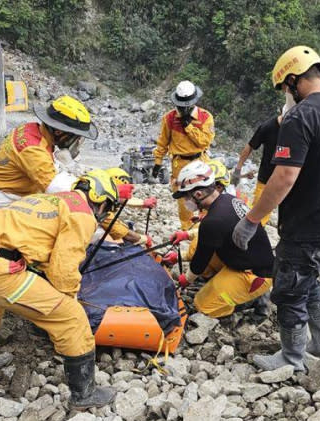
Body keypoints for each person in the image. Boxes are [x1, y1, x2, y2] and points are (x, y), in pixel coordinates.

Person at [231, 45, 320, 371]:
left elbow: (284, 177)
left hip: (311, 224)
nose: (287, 95)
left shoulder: (301, 116)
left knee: (288, 289)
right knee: (308, 277)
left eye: (286, 88)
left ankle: (292, 357)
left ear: (292, 80)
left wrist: (251, 219)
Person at [0, 169, 119, 408]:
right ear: (99, 199)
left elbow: (36, 249)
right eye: (107, 207)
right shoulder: (83, 213)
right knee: (71, 317)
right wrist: (67, 301)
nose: (104, 214)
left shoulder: (44, 199)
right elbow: (63, 271)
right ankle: (85, 394)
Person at [168, 161, 273, 318]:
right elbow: (218, 232)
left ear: (197, 194)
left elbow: (199, 262)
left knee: (203, 305)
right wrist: (187, 235)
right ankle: (224, 285)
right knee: (201, 248)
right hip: (250, 259)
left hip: (254, 274)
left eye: (186, 197)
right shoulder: (227, 199)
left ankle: (246, 301)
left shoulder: (213, 221)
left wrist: (186, 280)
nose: (185, 202)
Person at [0, 95, 95, 218]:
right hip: (0, 203)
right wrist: (91, 193)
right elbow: (56, 187)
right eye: (74, 136)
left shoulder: (31, 129)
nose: (75, 141)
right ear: (59, 132)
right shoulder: (34, 150)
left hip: (3, 188)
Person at [153, 81, 215, 229]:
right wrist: (158, 162)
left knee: (205, 196)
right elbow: (163, 142)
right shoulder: (169, 118)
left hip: (200, 161)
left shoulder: (205, 117)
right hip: (179, 164)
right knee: (185, 203)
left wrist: (189, 126)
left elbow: (204, 141)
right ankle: (186, 231)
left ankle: (205, 229)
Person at [233, 114, 280, 226]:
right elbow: (250, 146)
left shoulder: (298, 127)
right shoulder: (268, 126)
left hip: (288, 178)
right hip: (266, 178)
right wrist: (238, 169)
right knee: (258, 212)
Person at [99, 167, 157, 247]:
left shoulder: (97, 195)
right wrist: (144, 239)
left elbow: (120, 199)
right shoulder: (100, 210)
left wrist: (142, 203)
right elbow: (121, 232)